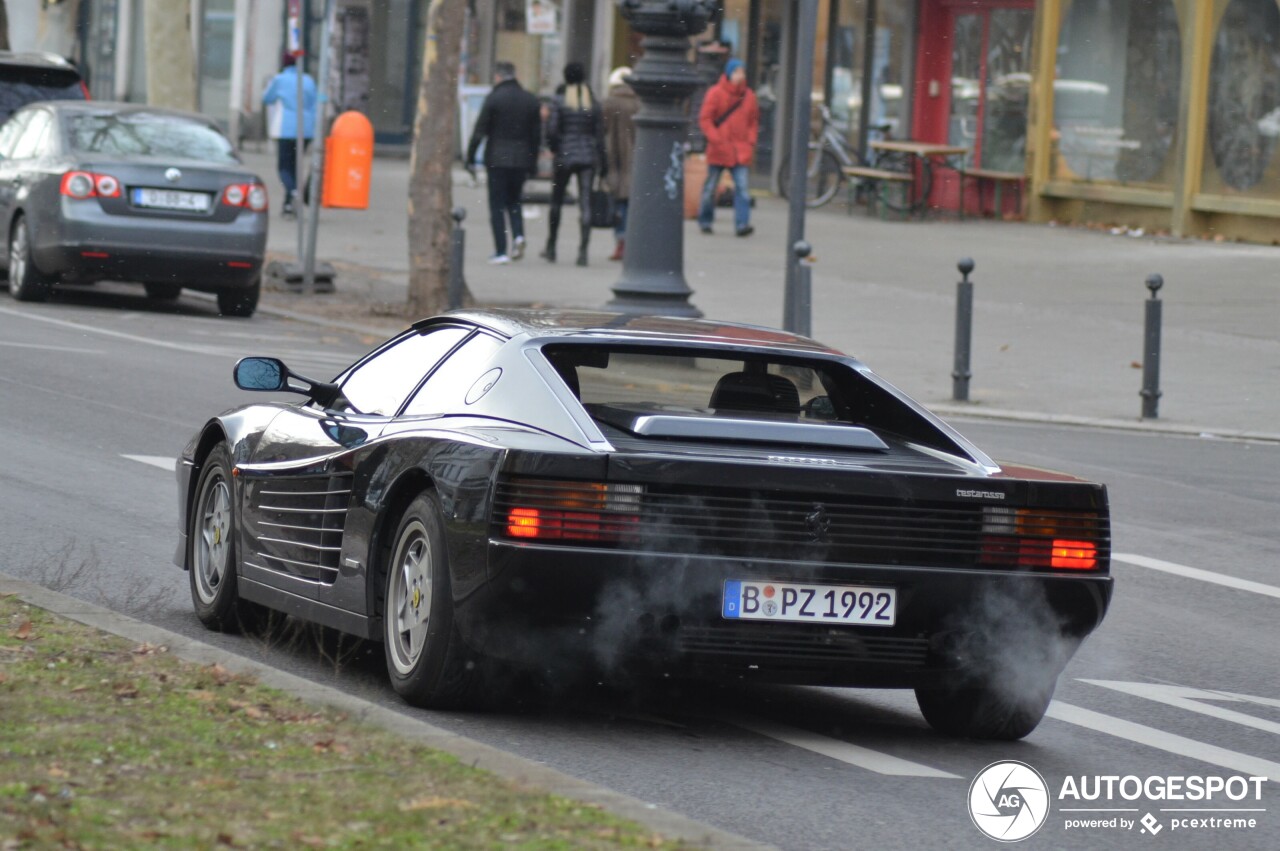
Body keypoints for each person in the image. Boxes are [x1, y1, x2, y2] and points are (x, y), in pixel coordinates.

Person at [465, 61, 542, 264]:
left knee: (497, 204)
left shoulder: (494, 99)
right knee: (515, 200)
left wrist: (470, 157)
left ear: (498, 76)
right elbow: (536, 136)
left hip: (498, 158)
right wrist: (533, 162)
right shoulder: (530, 100)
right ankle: (519, 236)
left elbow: (480, 130)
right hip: (522, 158)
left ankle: (501, 250)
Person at [544, 62, 606, 266]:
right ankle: (583, 252)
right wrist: (602, 161)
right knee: (585, 203)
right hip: (588, 157)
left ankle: (552, 247)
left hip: (564, 156)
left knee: (557, 201)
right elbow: (599, 135)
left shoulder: (559, 101)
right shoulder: (592, 102)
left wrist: (555, 147)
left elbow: (552, 130)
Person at [697, 57, 759, 237]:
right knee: (710, 188)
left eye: (742, 72)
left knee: (743, 189)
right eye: (737, 71)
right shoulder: (715, 93)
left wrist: (750, 141)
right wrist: (716, 139)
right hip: (719, 148)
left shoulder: (749, 96)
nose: (740, 75)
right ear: (729, 73)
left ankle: (742, 224)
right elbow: (706, 119)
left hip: (740, 150)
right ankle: (705, 220)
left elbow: (753, 121)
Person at [262, 55, 317, 218]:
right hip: (306, 129)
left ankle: (293, 192)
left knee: (284, 167)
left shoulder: (280, 79)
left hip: (287, 128)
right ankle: (288, 205)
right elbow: (314, 103)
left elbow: (267, 99)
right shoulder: (308, 80)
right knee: (296, 166)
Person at [602, 66, 637, 262]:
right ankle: (630, 241)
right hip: (634, 160)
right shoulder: (639, 103)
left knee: (618, 203)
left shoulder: (608, 103)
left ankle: (620, 240)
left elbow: (602, 130)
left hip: (613, 159)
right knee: (632, 203)